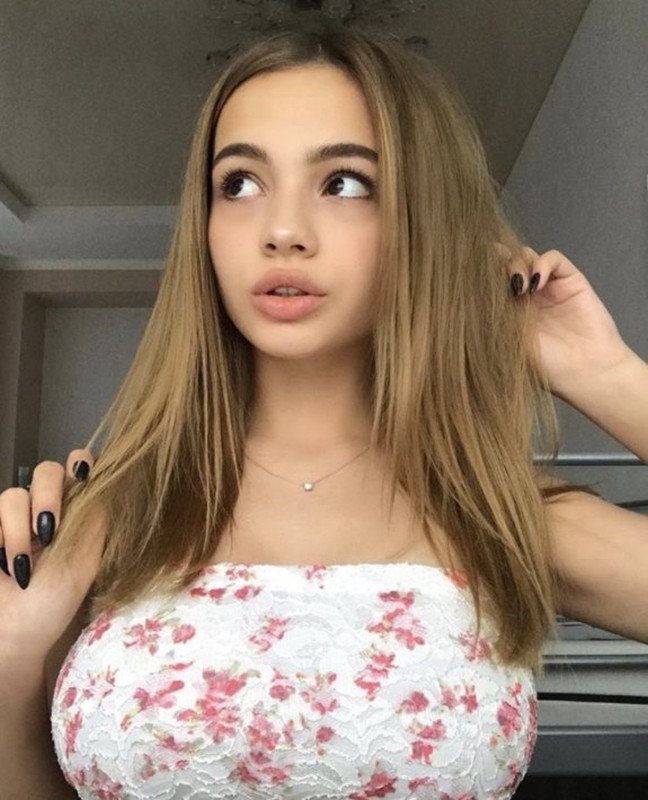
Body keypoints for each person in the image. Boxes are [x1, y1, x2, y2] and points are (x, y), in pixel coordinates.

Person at [1, 22, 647, 800]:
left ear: (422, 223)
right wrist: (10, 662)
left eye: (344, 183)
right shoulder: (116, 514)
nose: (282, 232)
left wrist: (606, 376)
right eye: (240, 184)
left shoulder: (499, 514)